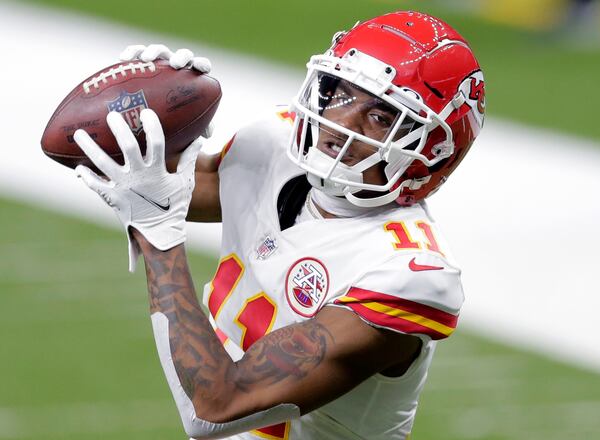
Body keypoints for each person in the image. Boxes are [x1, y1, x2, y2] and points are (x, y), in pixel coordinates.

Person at [72, 10, 485, 440]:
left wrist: (158, 237)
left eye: (381, 118)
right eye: (340, 93)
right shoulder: (275, 144)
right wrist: (143, 113)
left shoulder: (406, 274)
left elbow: (216, 406)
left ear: (431, 154)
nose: (341, 122)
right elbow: (154, 181)